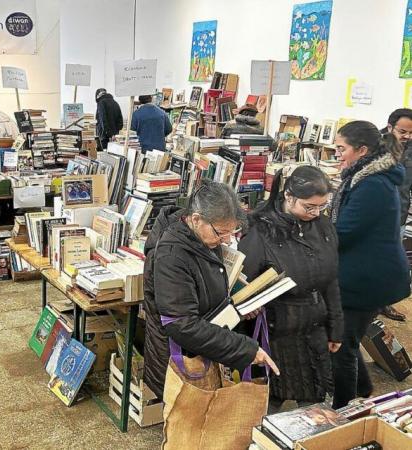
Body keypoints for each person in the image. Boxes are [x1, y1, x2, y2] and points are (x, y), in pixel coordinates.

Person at [143, 181, 279, 398]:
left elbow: (204, 290)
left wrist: (239, 307)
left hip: (203, 348)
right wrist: (244, 348)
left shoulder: (203, 239)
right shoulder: (171, 256)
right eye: (221, 232)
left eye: (231, 233)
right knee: (189, 422)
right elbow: (181, 324)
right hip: (182, 359)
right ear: (196, 219)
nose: (226, 240)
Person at [238, 166, 342, 410]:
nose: (316, 213)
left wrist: (336, 326)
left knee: (315, 402)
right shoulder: (260, 231)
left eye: (322, 206)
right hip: (277, 332)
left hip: (314, 326)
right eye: (309, 206)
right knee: (269, 403)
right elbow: (241, 286)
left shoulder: (323, 227)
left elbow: (331, 279)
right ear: (288, 196)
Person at [330, 120, 411, 408]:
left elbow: (345, 231)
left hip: (368, 279)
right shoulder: (365, 176)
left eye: (342, 149)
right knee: (349, 338)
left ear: (362, 150)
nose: (337, 154)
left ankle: (343, 412)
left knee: (340, 345)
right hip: (367, 272)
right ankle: (362, 388)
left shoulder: (373, 184)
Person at [381, 108, 412, 321]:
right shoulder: (374, 145)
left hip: (399, 214)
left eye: (411, 133)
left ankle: (384, 303)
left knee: (391, 262)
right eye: (403, 132)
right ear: (390, 127)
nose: (407, 137)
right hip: (375, 213)